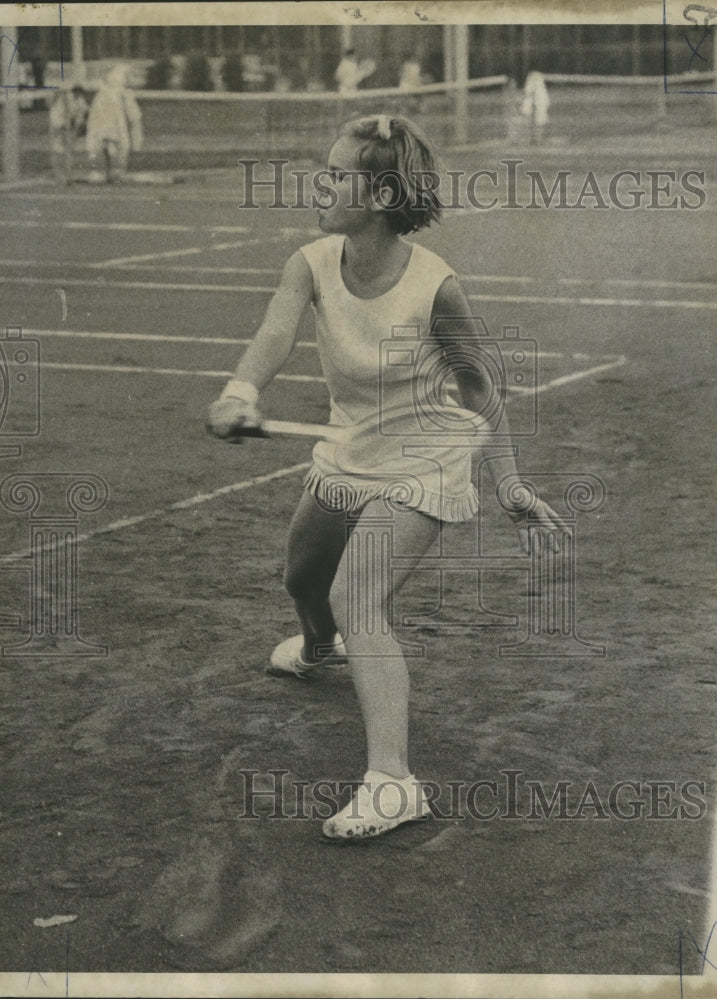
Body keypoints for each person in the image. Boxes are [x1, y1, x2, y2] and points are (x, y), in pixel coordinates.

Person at [207, 113, 567, 840]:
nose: (322, 182)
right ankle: (318, 651)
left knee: (357, 595)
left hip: (424, 460)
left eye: (337, 174)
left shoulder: (437, 288)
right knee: (302, 580)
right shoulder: (309, 263)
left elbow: (479, 393)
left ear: (377, 195)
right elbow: (273, 335)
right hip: (350, 450)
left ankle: (393, 783)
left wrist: (509, 484)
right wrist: (242, 391)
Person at [85, 65, 143, 183]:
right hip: (114, 131)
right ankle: (113, 173)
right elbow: (135, 117)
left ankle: (102, 173)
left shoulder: (101, 94)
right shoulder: (122, 94)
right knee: (116, 152)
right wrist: (137, 142)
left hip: (102, 132)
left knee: (103, 151)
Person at [48, 83, 89, 185]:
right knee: (56, 150)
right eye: (78, 93)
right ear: (74, 92)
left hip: (67, 126)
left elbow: (83, 112)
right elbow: (58, 115)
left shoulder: (80, 100)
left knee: (69, 151)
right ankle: (58, 176)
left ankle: (69, 176)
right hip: (56, 123)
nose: (79, 96)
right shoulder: (65, 98)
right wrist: (63, 126)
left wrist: (76, 129)